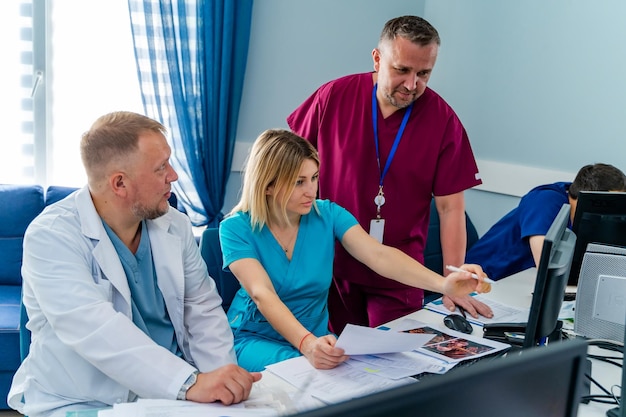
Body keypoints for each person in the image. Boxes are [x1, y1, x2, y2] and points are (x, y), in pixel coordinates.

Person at [8, 111, 261, 417]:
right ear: (119, 183)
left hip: (172, 397)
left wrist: (223, 382)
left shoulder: (174, 226)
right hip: (84, 401)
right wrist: (190, 383)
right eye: (160, 168)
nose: (174, 175)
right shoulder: (51, 236)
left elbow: (202, 308)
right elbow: (95, 328)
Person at [218, 129, 491, 372]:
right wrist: (306, 344)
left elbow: (379, 255)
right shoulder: (235, 228)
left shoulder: (328, 214)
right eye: (298, 182)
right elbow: (262, 293)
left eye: (314, 177)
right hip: (256, 338)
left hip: (317, 338)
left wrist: (444, 284)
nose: (311, 191)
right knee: (311, 377)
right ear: (268, 185)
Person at [287, 15, 492, 333]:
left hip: (400, 269)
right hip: (329, 261)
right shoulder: (333, 97)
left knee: (398, 361)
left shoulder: (443, 121)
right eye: (402, 70)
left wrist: (453, 277)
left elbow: (451, 209)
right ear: (377, 58)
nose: (412, 85)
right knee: (336, 362)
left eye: (424, 73)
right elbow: (289, 169)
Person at [465, 163, 626, 281]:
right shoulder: (546, 200)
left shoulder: (586, 216)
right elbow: (547, 265)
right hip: (484, 277)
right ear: (593, 199)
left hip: (522, 280)